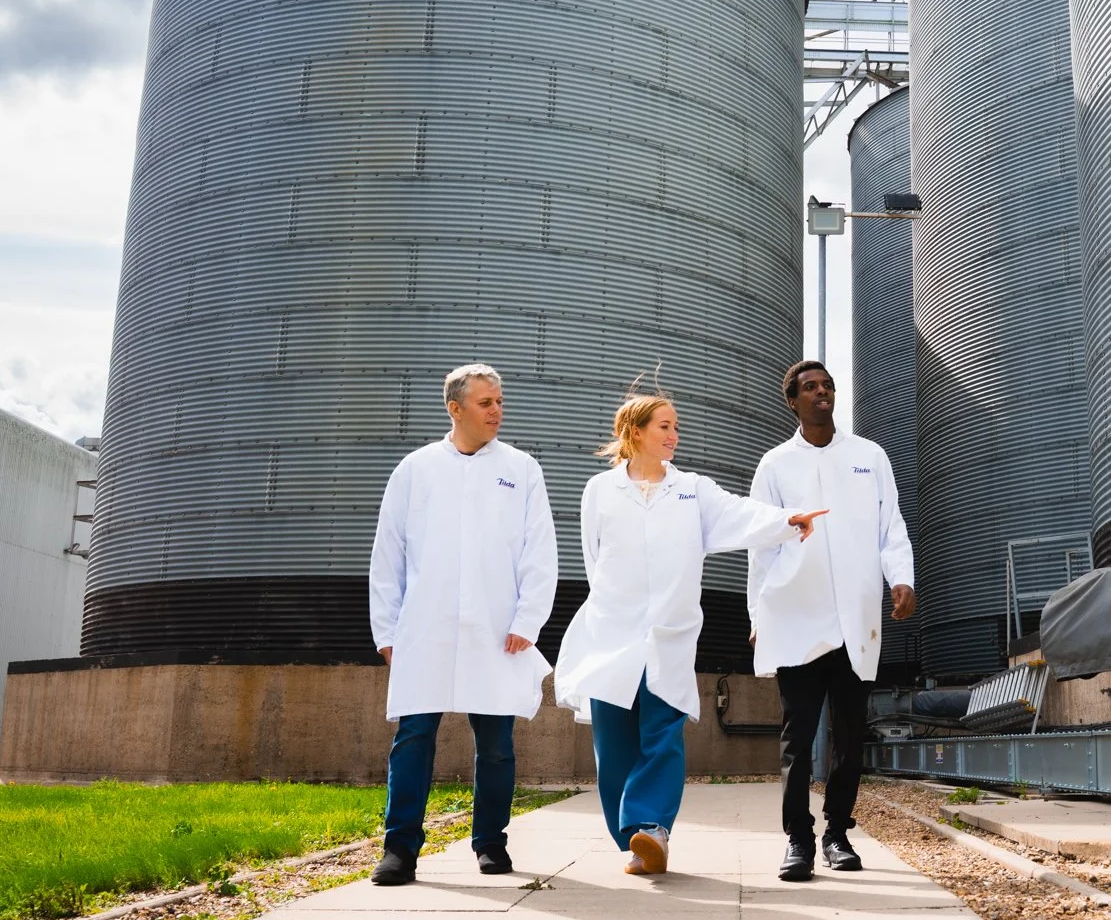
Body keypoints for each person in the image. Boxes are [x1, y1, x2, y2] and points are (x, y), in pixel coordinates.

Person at [554, 390, 824, 876]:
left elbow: (739, 515)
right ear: (634, 432)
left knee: (662, 733)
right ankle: (634, 838)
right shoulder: (599, 490)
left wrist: (787, 520)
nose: (674, 435)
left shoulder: (693, 489)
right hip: (612, 630)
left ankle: (653, 829)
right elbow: (594, 558)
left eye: (675, 426)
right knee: (613, 744)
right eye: (664, 426)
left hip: (670, 633)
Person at [367, 363, 558, 886]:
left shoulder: (521, 468)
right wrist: (386, 630)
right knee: (414, 735)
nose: (497, 410)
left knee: (496, 740)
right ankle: (400, 848)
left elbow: (539, 551)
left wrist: (528, 619)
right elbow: (389, 553)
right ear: (455, 409)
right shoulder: (415, 469)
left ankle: (490, 843)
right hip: (424, 627)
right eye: (485, 403)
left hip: (497, 628)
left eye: (499, 400)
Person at [748, 360, 917, 882]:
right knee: (797, 739)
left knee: (849, 735)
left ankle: (837, 833)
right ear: (792, 401)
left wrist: (901, 577)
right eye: (810, 388)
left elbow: (891, 525)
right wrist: (759, 612)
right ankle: (797, 839)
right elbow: (761, 544)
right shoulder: (775, 465)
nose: (822, 393)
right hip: (797, 617)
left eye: (828, 386)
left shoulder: (869, 455)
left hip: (856, 619)